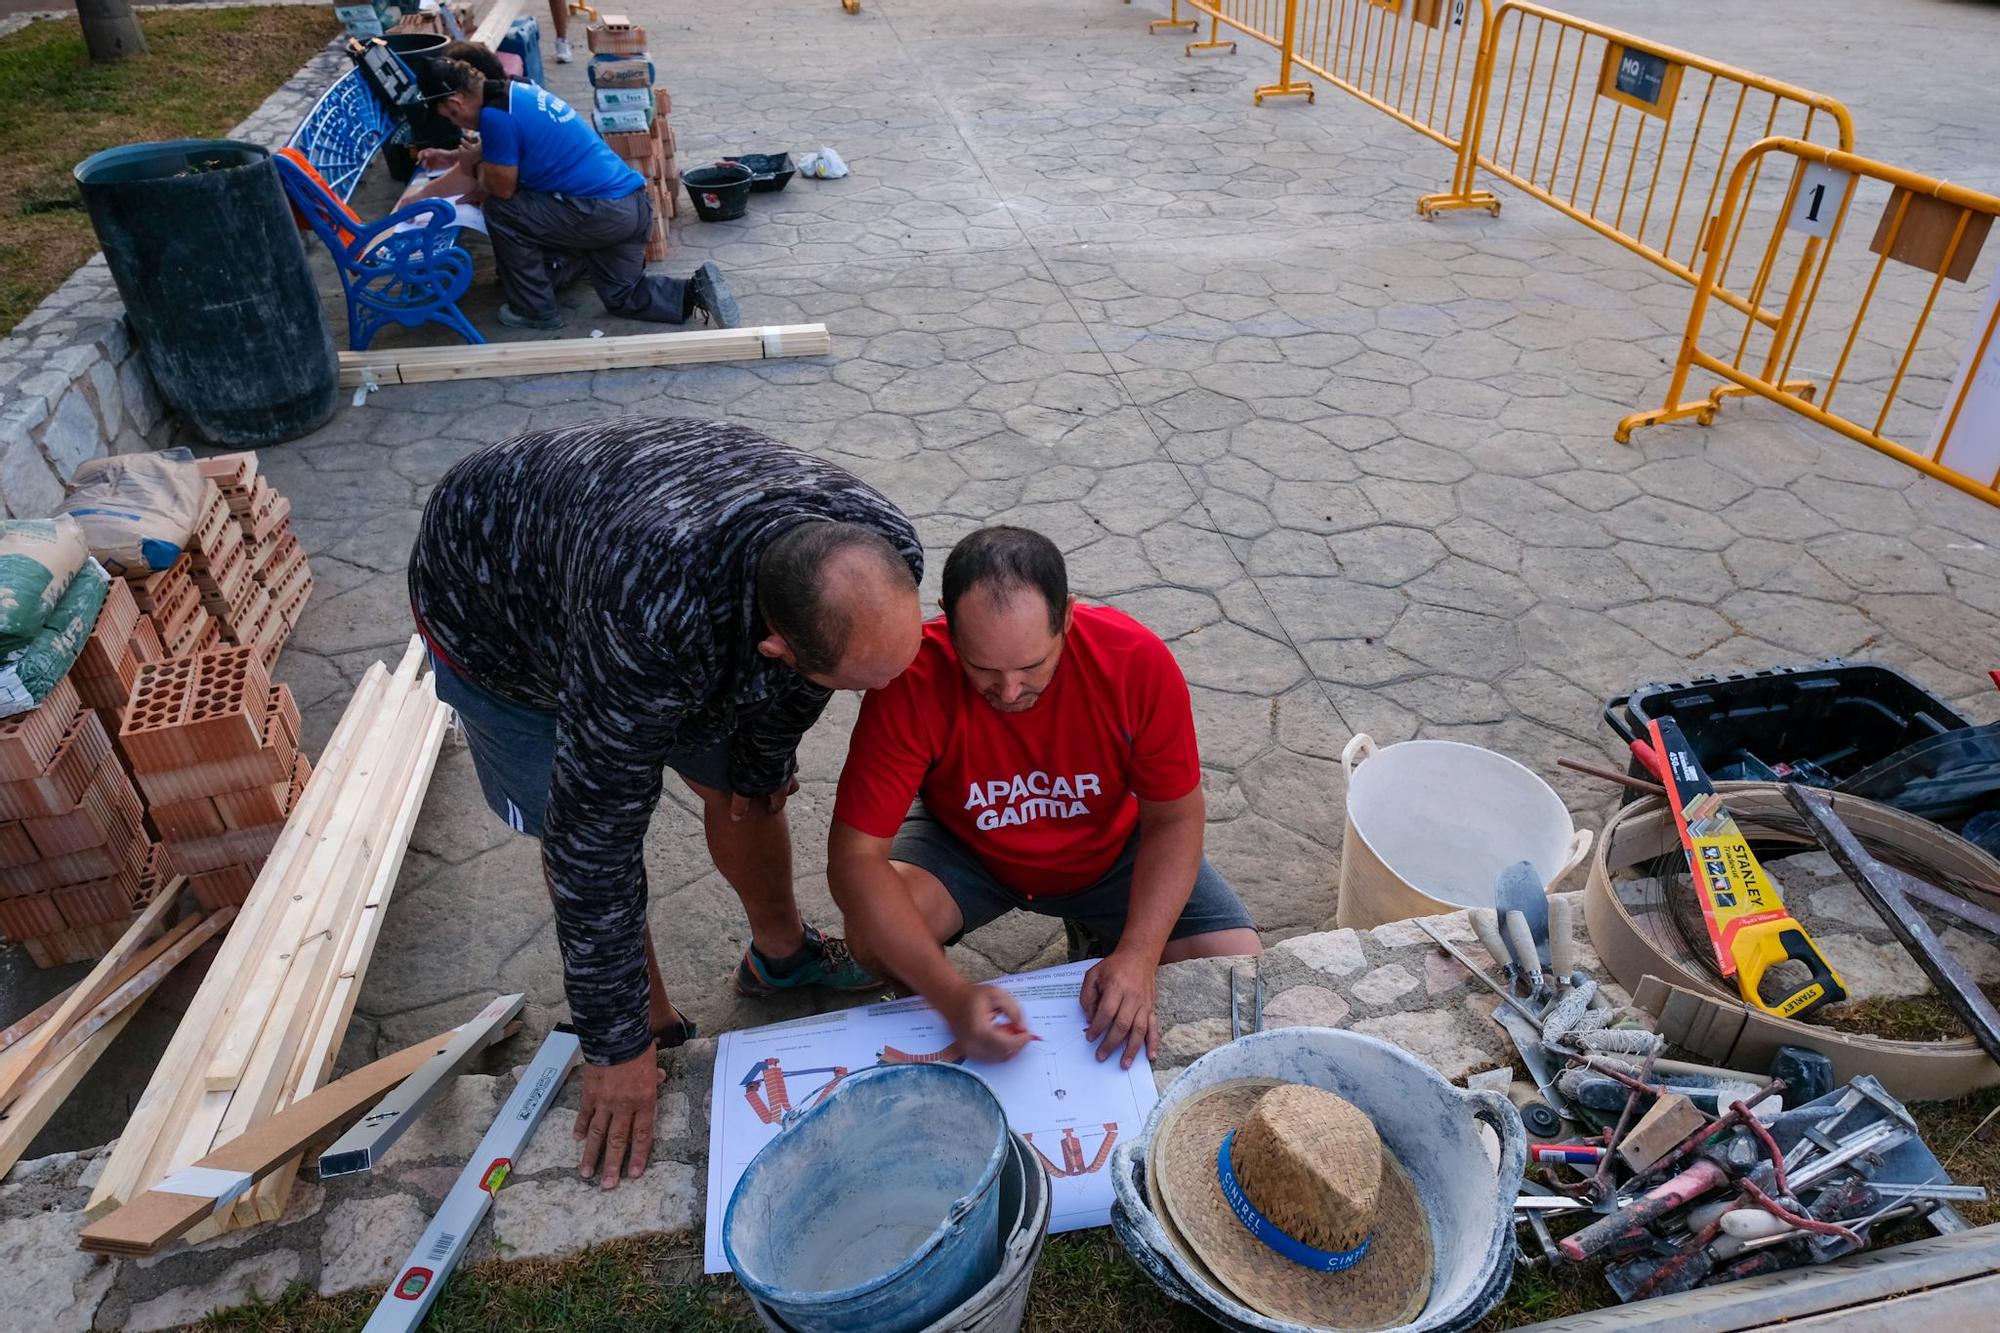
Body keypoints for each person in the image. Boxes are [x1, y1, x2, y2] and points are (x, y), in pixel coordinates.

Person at [407, 417, 926, 1190]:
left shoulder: (881, 543)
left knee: (750, 791)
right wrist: (614, 1046)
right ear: (779, 647)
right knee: (570, 816)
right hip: (497, 599)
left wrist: (757, 764)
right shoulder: (649, 624)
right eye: (862, 683)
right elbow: (592, 842)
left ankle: (781, 955)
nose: (881, 699)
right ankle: (647, 1021)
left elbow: (792, 699)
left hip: (632, 541)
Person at [827, 526, 1260, 1072]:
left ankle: (1103, 933)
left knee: (1234, 965)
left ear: (1069, 617)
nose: (1008, 692)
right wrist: (950, 996)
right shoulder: (910, 678)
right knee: (871, 936)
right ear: (947, 621)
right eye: (982, 668)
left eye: (1033, 666)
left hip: (1113, 848)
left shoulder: (1134, 661)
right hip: (968, 848)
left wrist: (1138, 954)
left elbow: (1175, 817)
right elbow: (853, 861)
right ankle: (1093, 934)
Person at [423, 55, 737, 332]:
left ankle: (535, 311)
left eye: (451, 116)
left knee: (500, 210)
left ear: (456, 102)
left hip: (599, 214)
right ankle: (694, 291)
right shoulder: (519, 89)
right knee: (622, 296)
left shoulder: (494, 117)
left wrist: (473, 171)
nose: (457, 123)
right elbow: (509, 143)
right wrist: (458, 159)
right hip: (633, 205)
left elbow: (502, 189)